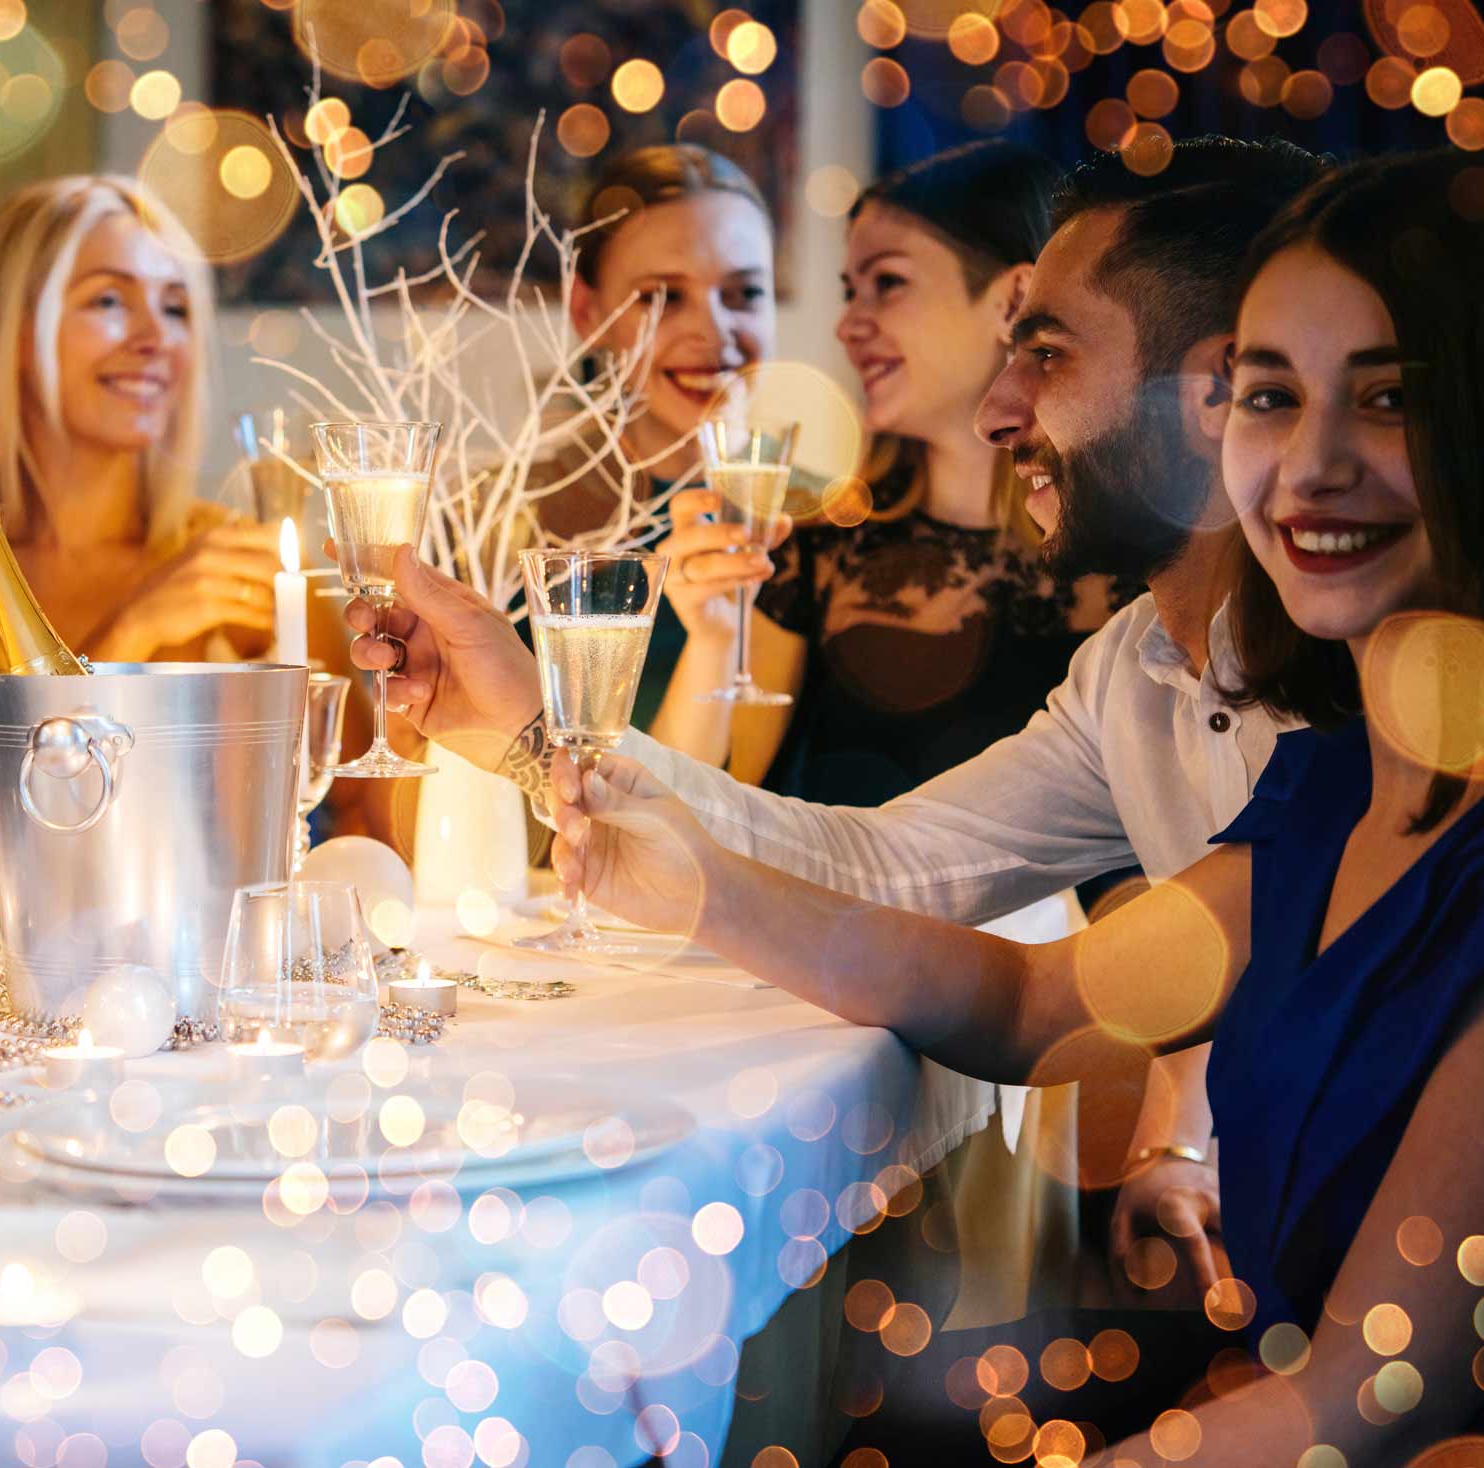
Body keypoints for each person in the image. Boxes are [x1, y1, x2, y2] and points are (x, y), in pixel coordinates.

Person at [550, 148, 1484, 1459]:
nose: (998, 415)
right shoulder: (1325, 764)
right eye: (1278, 397)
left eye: (1387, 400)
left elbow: (1381, 1393)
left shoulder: (1354, 738)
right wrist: (550, 764)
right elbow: (1018, 987)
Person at [344, 136, 1328, 1311]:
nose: (1003, 409)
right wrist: (525, 739)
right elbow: (891, 862)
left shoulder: (1375, 695)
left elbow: (1035, 998)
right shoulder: (1128, 670)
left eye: (1047, 353)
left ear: (1216, 387)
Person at [724, 142, 1137, 806]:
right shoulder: (812, 543)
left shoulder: (1134, 566)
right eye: (850, 291)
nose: (848, 325)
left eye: (887, 283)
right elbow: (720, 802)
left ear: (1015, 299)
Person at [522, 144, 786, 753]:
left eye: (744, 294)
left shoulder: (828, 519)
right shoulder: (509, 524)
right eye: (662, 296)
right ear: (588, 313)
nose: (714, 332)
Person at [0, 174, 278, 662]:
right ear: (12, 333)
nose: (155, 337)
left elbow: (361, 740)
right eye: (108, 300)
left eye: (175, 308)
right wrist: (134, 629)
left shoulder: (233, 566)